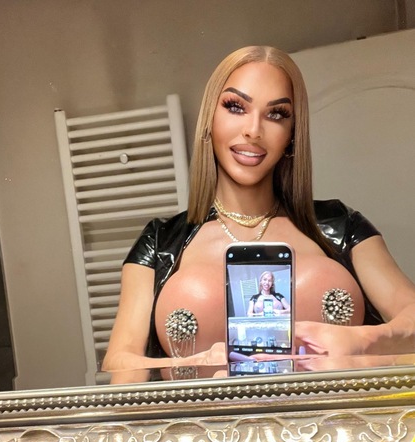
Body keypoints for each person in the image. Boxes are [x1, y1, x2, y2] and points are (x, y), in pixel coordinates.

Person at [103, 45, 415, 378]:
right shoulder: (160, 241)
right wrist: (196, 364)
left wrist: (361, 342)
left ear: (292, 134)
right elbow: (119, 363)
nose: (254, 130)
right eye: (236, 107)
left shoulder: (341, 226)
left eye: (276, 114)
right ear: (209, 119)